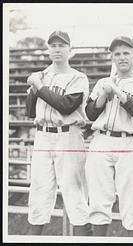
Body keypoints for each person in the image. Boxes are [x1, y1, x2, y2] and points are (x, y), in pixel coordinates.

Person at [84, 36, 133, 237]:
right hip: (102, 140)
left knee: (132, 201)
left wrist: (118, 92)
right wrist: (104, 95)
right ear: (112, 57)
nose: (122, 57)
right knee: (98, 200)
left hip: (130, 141)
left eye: (126, 53)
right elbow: (90, 113)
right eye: (117, 54)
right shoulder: (102, 82)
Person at [25, 30, 90, 236]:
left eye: (62, 45)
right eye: (53, 45)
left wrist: (38, 86)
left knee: (74, 193)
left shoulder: (78, 77)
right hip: (42, 136)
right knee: (39, 192)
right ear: (48, 50)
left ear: (70, 50)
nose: (57, 49)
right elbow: (29, 111)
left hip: (68, 135)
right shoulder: (41, 75)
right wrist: (36, 87)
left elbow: (66, 106)